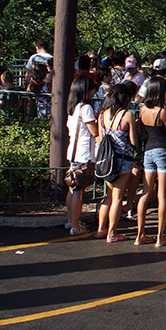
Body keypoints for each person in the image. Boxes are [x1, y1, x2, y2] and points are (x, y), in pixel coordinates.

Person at [96, 84, 139, 242]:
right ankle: (112, 233)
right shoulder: (127, 116)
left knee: (108, 196)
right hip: (123, 161)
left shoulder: (101, 115)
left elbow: (101, 140)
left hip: (106, 162)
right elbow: (133, 141)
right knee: (118, 197)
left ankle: (101, 229)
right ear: (126, 99)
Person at [135, 77, 166, 247]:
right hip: (163, 151)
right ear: (162, 92)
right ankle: (160, 236)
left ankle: (140, 234)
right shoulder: (163, 112)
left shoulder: (143, 110)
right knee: (162, 195)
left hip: (148, 151)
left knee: (145, 193)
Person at [65, 76, 98, 235]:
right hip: (84, 154)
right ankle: (75, 227)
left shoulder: (73, 107)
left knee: (72, 188)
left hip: (73, 152)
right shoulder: (86, 108)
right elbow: (94, 131)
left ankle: (71, 221)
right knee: (79, 191)